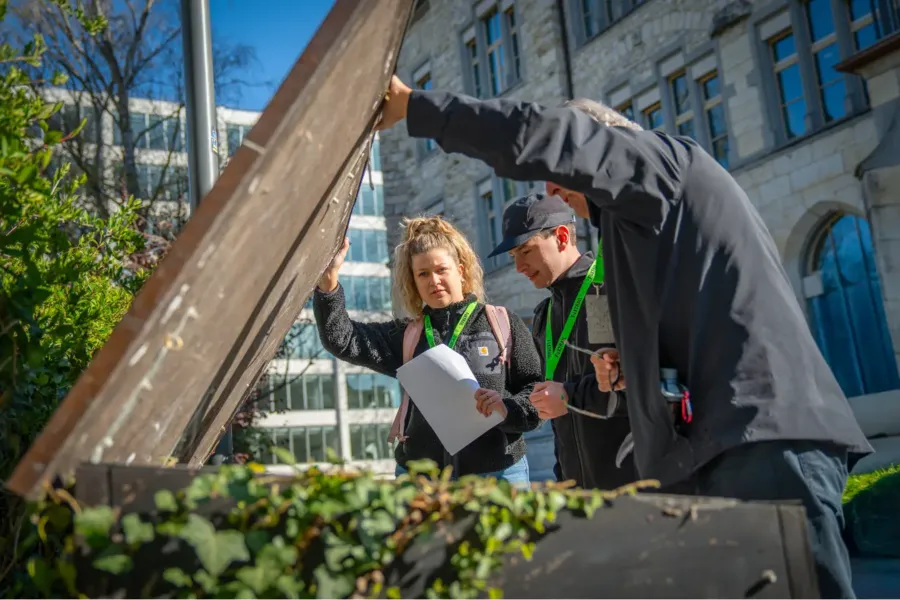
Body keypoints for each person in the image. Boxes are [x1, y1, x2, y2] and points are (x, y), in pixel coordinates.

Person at [374, 76, 872, 598]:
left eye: (561, 178)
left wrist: (416, 108)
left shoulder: (663, 166)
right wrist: (632, 365)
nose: (557, 194)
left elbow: (540, 135)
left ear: (602, 148)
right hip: (727, 445)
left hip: (763, 441)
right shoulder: (650, 220)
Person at [313, 216, 542, 487]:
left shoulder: (502, 323)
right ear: (414, 281)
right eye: (423, 274)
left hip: (498, 475)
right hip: (422, 480)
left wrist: (505, 407)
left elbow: (535, 392)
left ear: (461, 270)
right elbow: (341, 338)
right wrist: (328, 283)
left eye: (441, 270)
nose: (434, 280)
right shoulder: (407, 335)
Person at [487, 191, 636, 490]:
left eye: (526, 251)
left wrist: (569, 396)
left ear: (562, 237)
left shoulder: (609, 289)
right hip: (574, 490)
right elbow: (557, 415)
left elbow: (641, 388)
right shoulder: (544, 314)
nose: (519, 267)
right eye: (514, 257)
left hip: (633, 486)